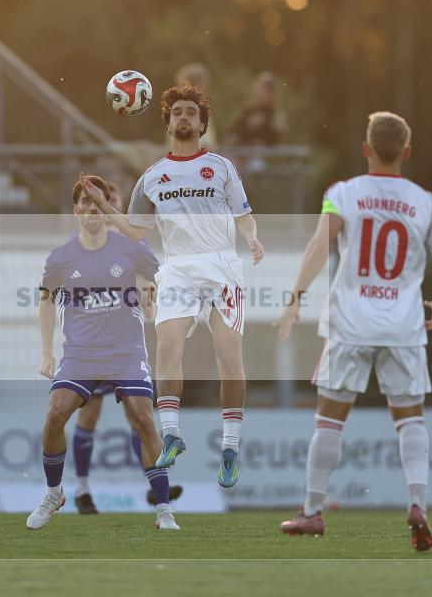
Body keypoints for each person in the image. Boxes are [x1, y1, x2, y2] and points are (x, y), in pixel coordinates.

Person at [273, 111, 432, 551]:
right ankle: (418, 504)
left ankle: (313, 511)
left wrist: (294, 300)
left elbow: (321, 246)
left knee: (329, 419)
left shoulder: (344, 193)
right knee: (410, 418)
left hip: (350, 324)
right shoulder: (424, 201)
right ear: (407, 152)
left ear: (366, 149)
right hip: (403, 326)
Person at [82, 82, 264, 488]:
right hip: (178, 269)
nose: (184, 117)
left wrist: (251, 237)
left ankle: (230, 447)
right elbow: (135, 232)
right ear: (167, 121)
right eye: (177, 112)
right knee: (165, 346)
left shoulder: (221, 167)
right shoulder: (152, 178)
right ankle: (172, 434)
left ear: (201, 125)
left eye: (190, 113)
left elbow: (244, 214)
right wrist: (105, 205)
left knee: (227, 357)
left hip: (221, 267)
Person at [31, 174, 178, 530]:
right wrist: (47, 353)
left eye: (99, 202)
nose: (92, 209)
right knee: (55, 414)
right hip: (81, 353)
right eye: (85, 202)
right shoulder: (62, 257)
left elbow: (155, 276)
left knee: (143, 418)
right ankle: (55, 493)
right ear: (75, 210)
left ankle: (163, 509)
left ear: (108, 208)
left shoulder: (129, 247)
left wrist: (150, 293)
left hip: (125, 349)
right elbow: (46, 300)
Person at [69, 180, 183, 514]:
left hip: (125, 342)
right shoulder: (84, 245)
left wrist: (153, 304)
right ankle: (82, 488)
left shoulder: (130, 244)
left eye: (113, 206)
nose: (108, 212)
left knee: (140, 415)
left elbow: (149, 280)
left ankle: (155, 486)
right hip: (90, 344)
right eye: (106, 205)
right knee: (89, 411)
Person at [225, 71, 287, 147]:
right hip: (244, 155)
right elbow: (233, 134)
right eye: (259, 89)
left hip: (265, 156)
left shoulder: (276, 115)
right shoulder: (248, 111)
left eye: (265, 90)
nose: (259, 92)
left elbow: (276, 137)